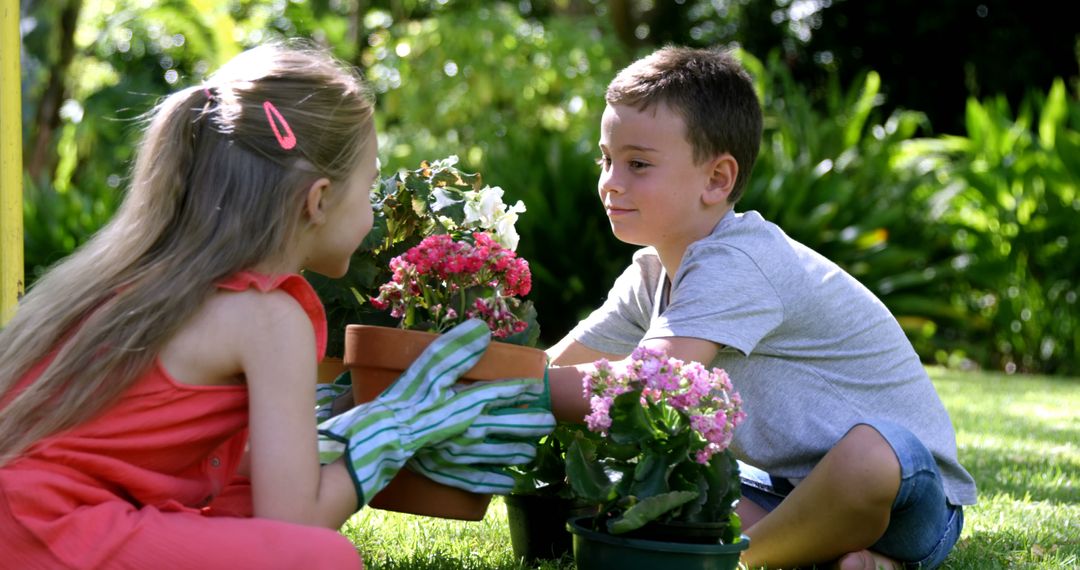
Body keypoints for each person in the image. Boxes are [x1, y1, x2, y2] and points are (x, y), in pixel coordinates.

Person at [0, 43, 553, 569]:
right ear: (318, 200)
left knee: (238, 496)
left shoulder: (154, 282)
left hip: (25, 517)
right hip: (38, 533)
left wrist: (342, 429)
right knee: (320, 559)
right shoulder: (268, 315)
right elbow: (296, 523)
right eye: (369, 187)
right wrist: (391, 434)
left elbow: (234, 477)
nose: (373, 210)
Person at [545, 45, 976, 570]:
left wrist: (515, 391)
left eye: (637, 164)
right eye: (607, 159)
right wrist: (465, 371)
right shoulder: (651, 275)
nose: (611, 181)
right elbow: (557, 366)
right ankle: (838, 557)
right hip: (784, 493)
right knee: (660, 467)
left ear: (717, 180)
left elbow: (649, 384)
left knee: (871, 452)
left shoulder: (740, 260)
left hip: (910, 496)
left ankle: (757, 556)